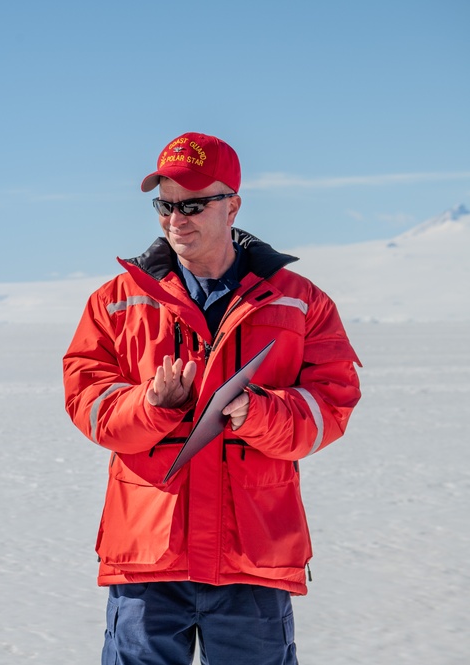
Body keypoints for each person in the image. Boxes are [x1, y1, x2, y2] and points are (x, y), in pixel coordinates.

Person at [62, 132, 361, 665]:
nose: (177, 219)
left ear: (233, 206)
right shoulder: (115, 302)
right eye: (166, 205)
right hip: (151, 554)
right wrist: (151, 406)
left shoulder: (299, 301)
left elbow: (330, 407)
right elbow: (90, 404)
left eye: (194, 204)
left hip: (254, 552)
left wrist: (261, 412)